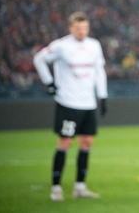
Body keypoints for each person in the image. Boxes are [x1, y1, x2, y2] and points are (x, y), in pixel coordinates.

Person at [33, 11, 107, 201]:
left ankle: (80, 187)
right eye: (77, 28)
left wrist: (103, 96)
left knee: (87, 142)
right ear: (70, 28)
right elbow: (39, 59)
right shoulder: (61, 45)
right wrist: (49, 82)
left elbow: (99, 71)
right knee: (65, 142)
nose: (81, 31)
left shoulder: (94, 45)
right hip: (68, 102)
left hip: (88, 103)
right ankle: (56, 188)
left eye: (84, 28)